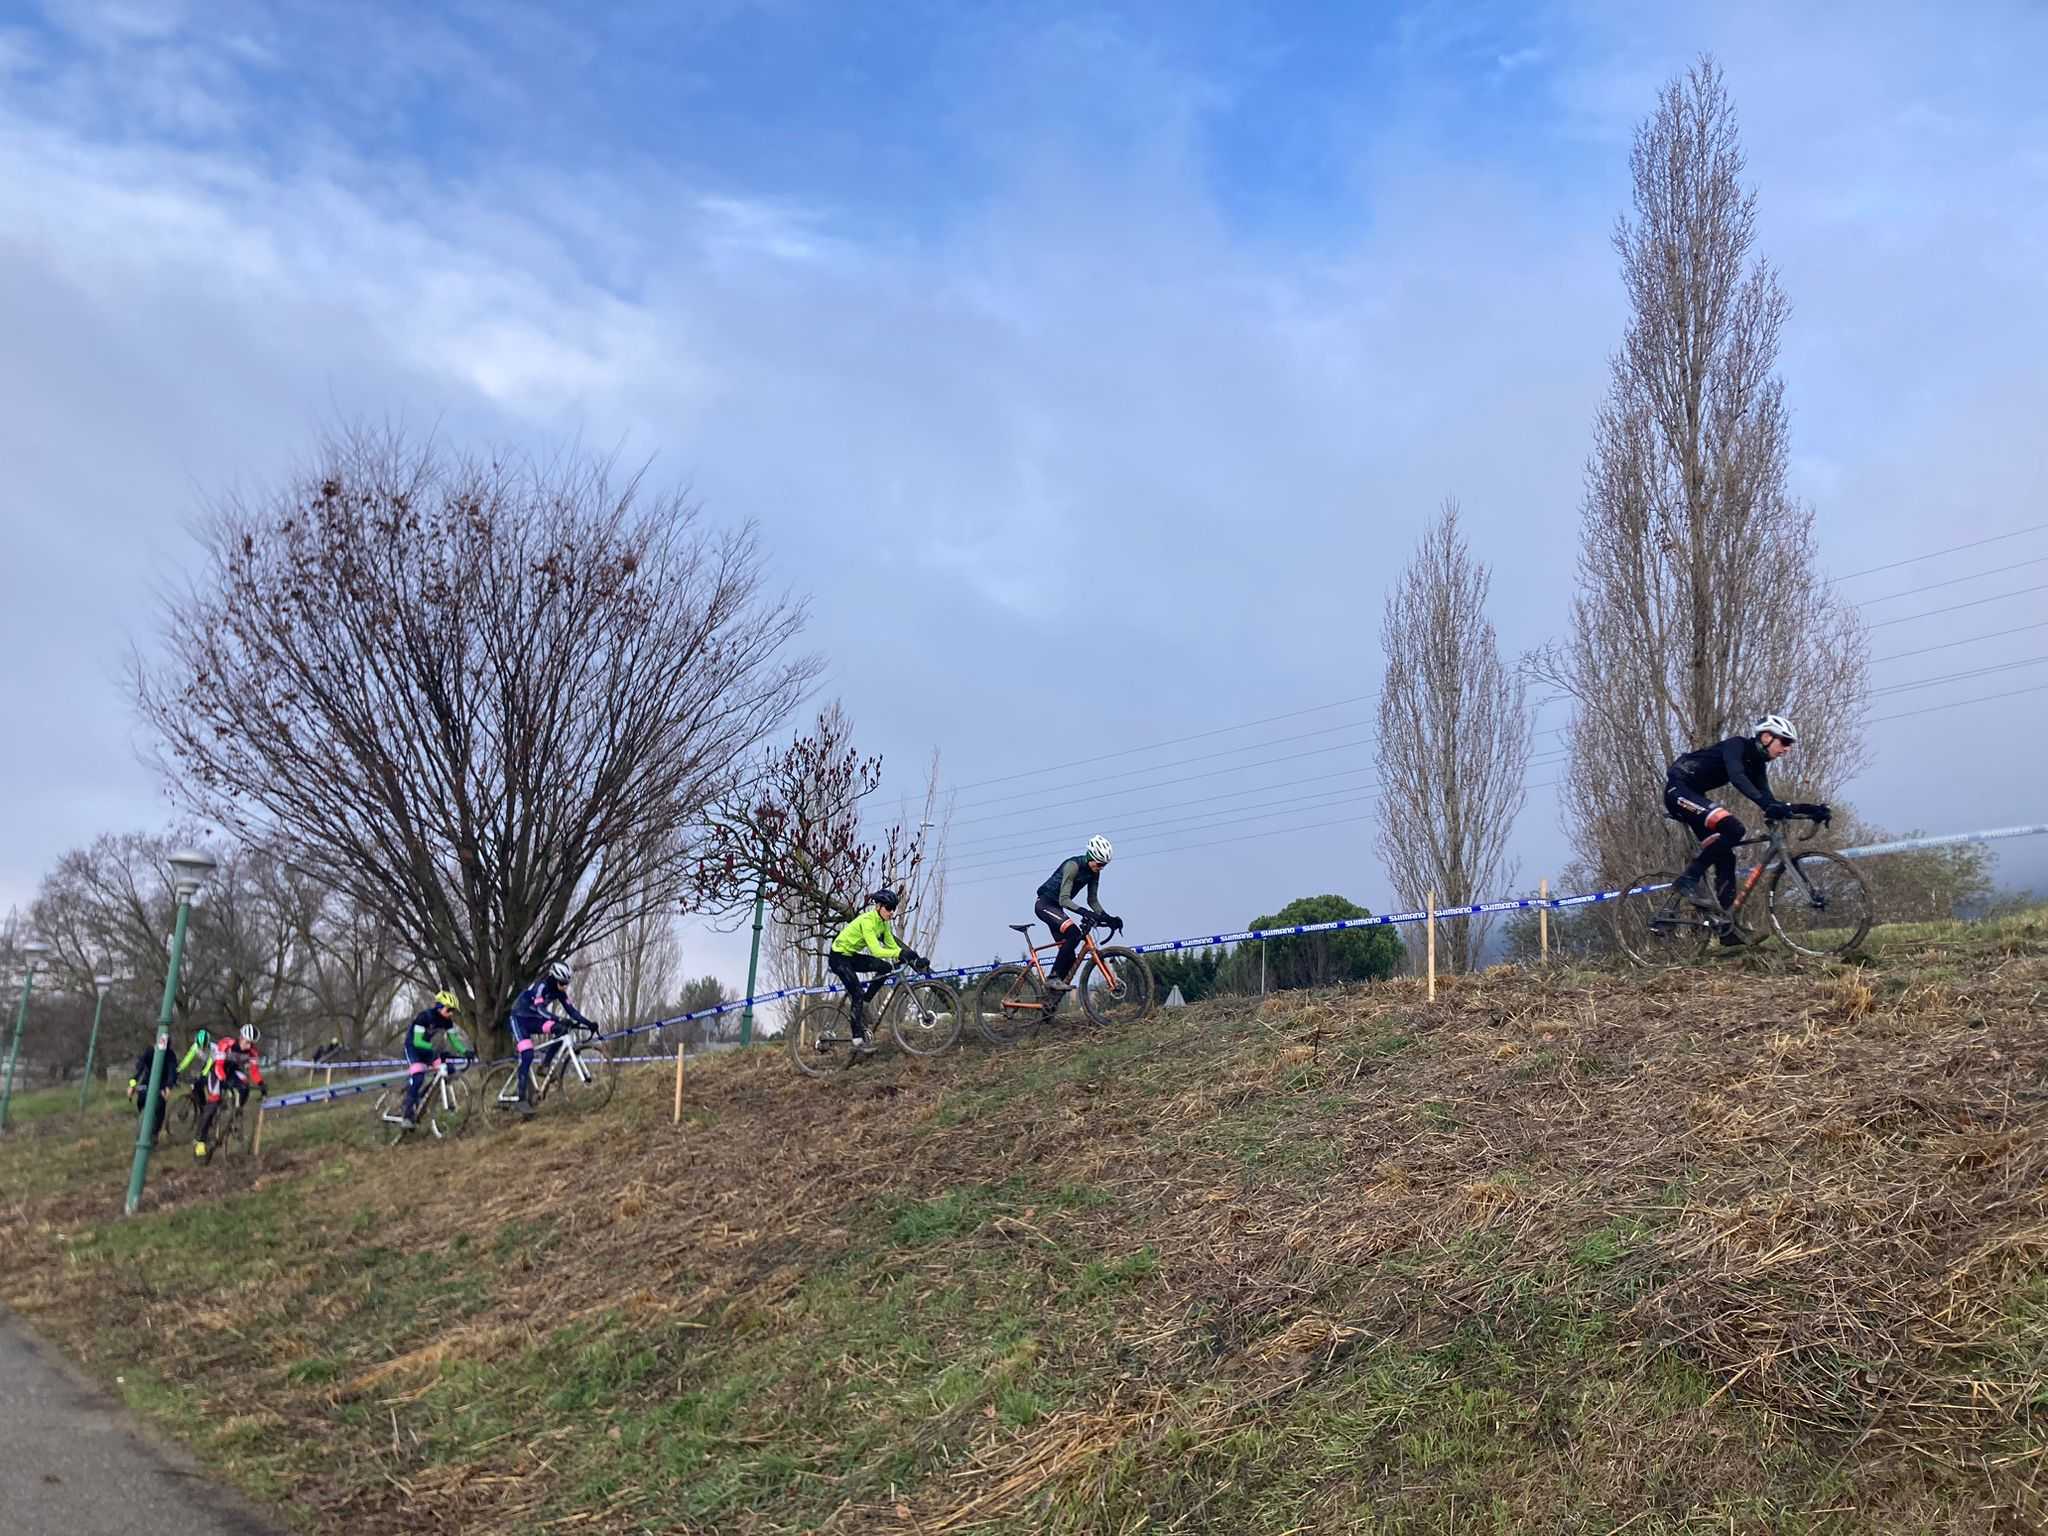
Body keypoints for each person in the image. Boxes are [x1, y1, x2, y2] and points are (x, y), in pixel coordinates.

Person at [1664, 714, 1830, 940]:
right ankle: (1687, 879)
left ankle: (1727, 929)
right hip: (1678, 791)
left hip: (1695, 796)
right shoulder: (1736, 745)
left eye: (1789, 744)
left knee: (1726, 857)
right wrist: (1766, 805)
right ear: (1766, 737)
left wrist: (1810, 809)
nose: (1787, 749)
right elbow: (1737, 777)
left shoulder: (1758, 764)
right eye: (1785, 742)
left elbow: (1769, 801)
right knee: (1734, 829)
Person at [829, 890, 927, 1055]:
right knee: (857, 993)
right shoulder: (867, 921)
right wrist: (899, 954)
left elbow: (892, 947)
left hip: (851, 956)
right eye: (889, 908)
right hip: (839, 958)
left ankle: (866, 1002)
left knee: (885, 968)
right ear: (879, 906)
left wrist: (912, 957)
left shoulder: (884, 924)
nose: (892, 912)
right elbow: (876, 950)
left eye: (893, 909)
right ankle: (857, 1041)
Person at [505, 961, 595, 1116]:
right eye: (562, 983)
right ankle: (521, 1099)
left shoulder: (560, 991)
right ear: (554, 978)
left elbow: (572, 1011)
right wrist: (559, 1019)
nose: (565, 986)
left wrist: (588, 1023)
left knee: (561, 1031)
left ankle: (545, 1066)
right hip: (518, 1019)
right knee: (528, 1054)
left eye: (567, 983)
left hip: (533, 1019)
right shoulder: (541, 986)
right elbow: (540, 1009)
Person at [1034, 836, 1119, 993]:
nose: (1101, 868)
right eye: (1100, 864)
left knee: (1070, 958)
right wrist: (1084, 912)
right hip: (1045, 905)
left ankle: (1049, 1003)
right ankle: (1052, 978)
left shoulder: (1094, 872)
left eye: (1104, 865)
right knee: (1074, 934)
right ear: (1091, 857)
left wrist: (1108, 918)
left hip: (1057, 908)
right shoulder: (1073, 866)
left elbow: (1092, 900)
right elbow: (1064, 899)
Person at [397, 991, 474, 1129]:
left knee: (447, 1070)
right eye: (449, 1010)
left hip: (428, 1050)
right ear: (439, 1006)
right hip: (413, 1048)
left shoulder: (447, 1021)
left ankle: (422, 1097)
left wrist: (465, 1051)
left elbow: (454, 1040)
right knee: (418, 1077)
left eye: (453, 1011)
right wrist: (435, 1050)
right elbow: (418, 1041)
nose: (451, 1013)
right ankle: (407, 1113)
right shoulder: (424, 1017)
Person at [194, 1025, 264, 1160]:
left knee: (245, 1085)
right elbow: (219, 1066)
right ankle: (200, 1140)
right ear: (241, 1038)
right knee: (213, 1104)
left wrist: (261, 1084)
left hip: (232, 1072)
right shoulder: (226, 1044)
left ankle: (237, 1111)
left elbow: (254, 1071)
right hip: (217, 1073)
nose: (249, 1046)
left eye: (252, 1043)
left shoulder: (253, 1052)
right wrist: (223, 1080)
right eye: (247, 1042)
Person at [128, 1045, 177, 1145]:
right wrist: (132, 1084)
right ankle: (143, 1122)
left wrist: (168, 1086)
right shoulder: (149, 1052)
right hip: (147, 1082)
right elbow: (139, 1069)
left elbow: (172, 1072)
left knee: (160, 1105)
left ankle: (155, 1133)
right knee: (141, 1099)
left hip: (162, 1084)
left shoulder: (170, 1055)